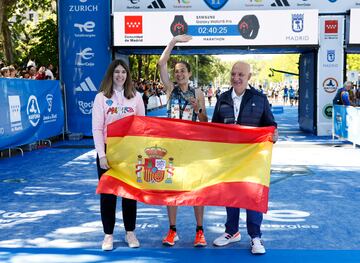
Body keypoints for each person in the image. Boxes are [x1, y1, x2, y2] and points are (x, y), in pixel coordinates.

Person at [212, 61, 278, 255]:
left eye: (241, 74)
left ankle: (255, 237)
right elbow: (215, 128)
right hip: (229, 158)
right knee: (230, 194)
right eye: (233, 74)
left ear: (249, 77)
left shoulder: (260, 98)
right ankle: (231, 232)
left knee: (252, 196)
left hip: (253, 159)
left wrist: (274, 133)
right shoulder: (222, 98)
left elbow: (271, 124)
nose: (236, 78)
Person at [158, 34, 208, 247]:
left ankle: (199, 231)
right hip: (172, 147)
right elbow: (161, 63)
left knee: (196, 188)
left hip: (193, 147)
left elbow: (205, 120)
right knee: (172, 188)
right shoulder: (170, 90)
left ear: (189, 73)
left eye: (182, 71)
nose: (178, 74)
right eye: (176, 71)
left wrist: (198, 108)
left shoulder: (198, 92)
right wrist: (173, 41)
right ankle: (172, 230)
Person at [92, 59, 145, 251]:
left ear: (127, 75)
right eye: (116, 72)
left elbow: (142, 126)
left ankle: (130, 232)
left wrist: (139, 153)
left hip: (129, 152)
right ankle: (108, 235)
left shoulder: (136, 97)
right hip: (108, 152)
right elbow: (97, 129)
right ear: (110, 75)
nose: (120, 75)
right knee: (108, 195)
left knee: (129, 193)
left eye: (123, 72)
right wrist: (102, 155)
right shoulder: (100, 98)